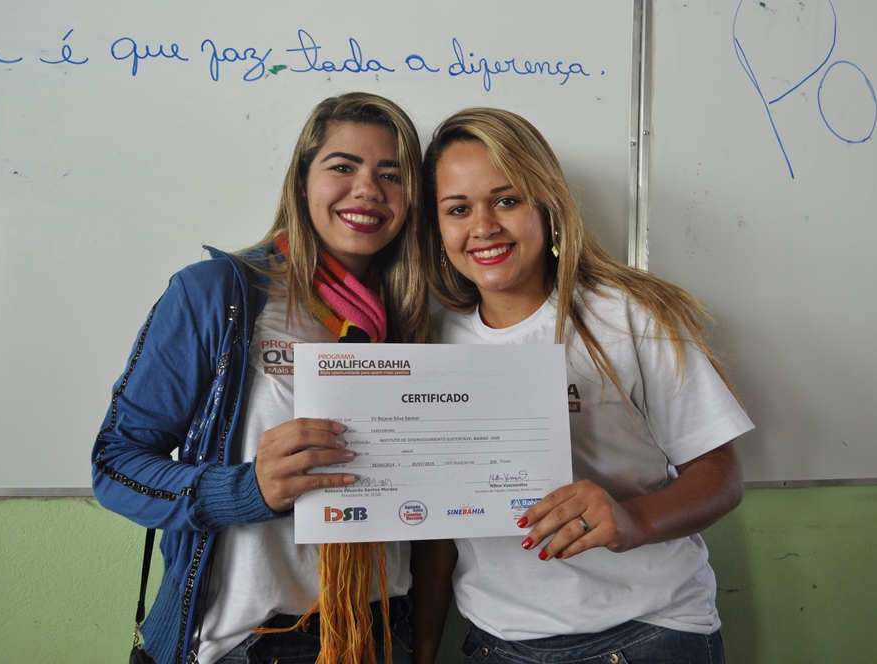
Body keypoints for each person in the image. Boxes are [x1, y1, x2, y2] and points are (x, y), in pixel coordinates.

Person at [92, 92, 438, 664]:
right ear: (302, 181)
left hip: (378, 634)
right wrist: (246, 490)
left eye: (392, 175)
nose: (368, 190)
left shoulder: (415, 316)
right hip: (249, 642)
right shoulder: (221, 294)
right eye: (343, 166)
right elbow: (114, 465)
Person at [419, 108, 755, 664]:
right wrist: (423, 651)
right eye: (458, 209)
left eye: (507, 200)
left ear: (547, 206)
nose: (483, 226)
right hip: (497, 642)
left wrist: (634, 519)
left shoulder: (627, 316)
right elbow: (436, 529)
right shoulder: (429, 342)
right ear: (437, 230)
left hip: (646, 631)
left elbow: (720, 475)